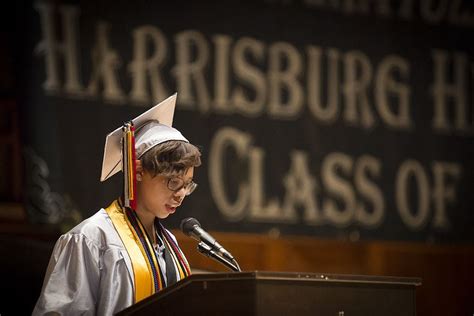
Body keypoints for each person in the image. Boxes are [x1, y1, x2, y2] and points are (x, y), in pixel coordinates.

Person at [33, 94, 201, 315]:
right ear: (138, 171)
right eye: (173, 182)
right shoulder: (91, 238)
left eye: (187, 185)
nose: (180, 194)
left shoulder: (169, 244)